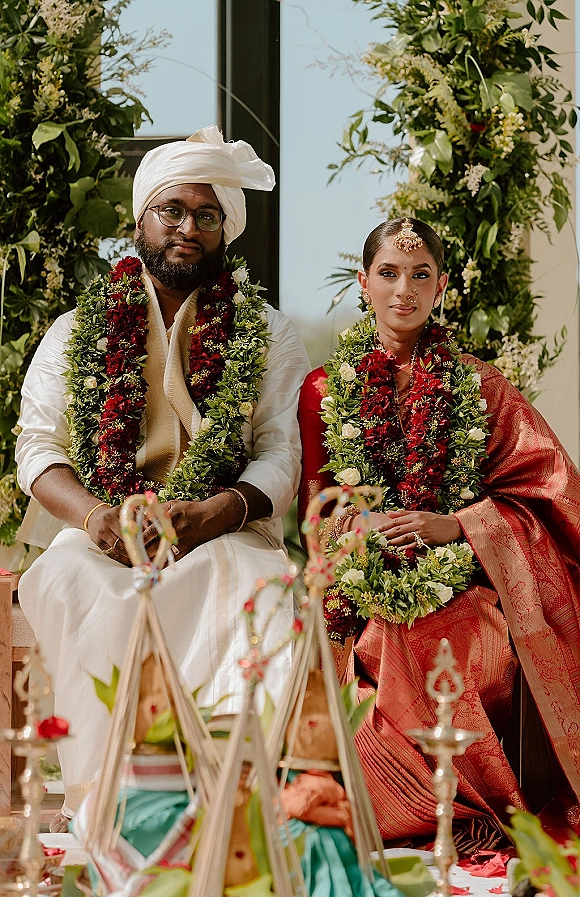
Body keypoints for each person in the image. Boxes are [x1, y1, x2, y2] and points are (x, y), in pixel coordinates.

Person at [15, 125, 310, 827]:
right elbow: (37, 447)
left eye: (207, 216)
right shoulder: (77, 327)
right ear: (140, 218)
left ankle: (230, 814)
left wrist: (210, 513)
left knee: (269, 592)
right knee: (75, 582)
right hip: (101, 530)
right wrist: (95, 518)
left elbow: (280, 452)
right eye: (171, 210)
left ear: (224, 233)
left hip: (224, 531)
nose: (187, 228)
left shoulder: (266, 332)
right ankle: (112, 812)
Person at [298, 217, 580, 853]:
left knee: (461, 626)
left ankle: (475, 804)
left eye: (421, 274)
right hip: (359, 585)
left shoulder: (483, 388)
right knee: (385, 631)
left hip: (463, 581)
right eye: (389, 274)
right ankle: (411, 809)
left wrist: (456, 525)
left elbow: (552, 492)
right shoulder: (322, 389)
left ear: (443, 285)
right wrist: (358, 523)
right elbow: (313, 514)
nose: (405, 290)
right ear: (364, 284)